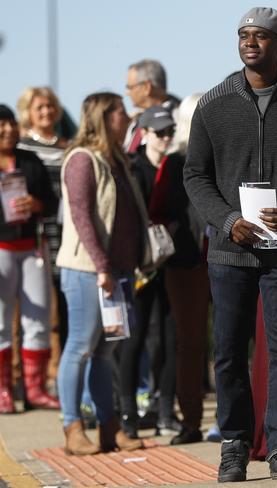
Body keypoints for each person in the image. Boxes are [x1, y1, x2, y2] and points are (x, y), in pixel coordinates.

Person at [183, 7, 277, 482]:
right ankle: (234, 445)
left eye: (261, 36)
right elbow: (194, 175)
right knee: (230, 350)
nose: (251, 42)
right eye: (244, 35)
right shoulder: (214, 103)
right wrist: (228, 220)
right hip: (229, 250)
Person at [56, 92, 148, 455]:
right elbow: (81, 218)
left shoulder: (116, 159)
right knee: (79, 347)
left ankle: (109, 427)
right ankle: (71, 426)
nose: (127, 116)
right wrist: (102, 266)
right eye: (121, 111)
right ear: (104, 117)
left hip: (117, 271)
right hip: (88, 271)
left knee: (102, 353)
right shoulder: (82, 159)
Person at [119, 106, 180, 440]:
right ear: (143, 134)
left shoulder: (175, 165)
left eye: (170, 131)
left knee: (170, 340)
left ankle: (166, 411)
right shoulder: (134, 168)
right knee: (134, 338)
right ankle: (128, 413)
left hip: (169, 260)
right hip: (140, 263)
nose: (166, 137)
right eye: (160, 132)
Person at [0, 104, 59, 414]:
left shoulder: (30, 161)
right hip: (2, 251)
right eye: (2, 125)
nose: (8, 130)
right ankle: (3, 390)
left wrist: (36, 204)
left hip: (33, 249)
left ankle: (35, 390)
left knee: (37, 319)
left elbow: (51, 203)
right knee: (0, 322)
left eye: (11, 124)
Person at [163, 95, 213, 446]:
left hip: (225, 256)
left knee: (231, 341)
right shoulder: (173, 162)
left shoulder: (221, 153)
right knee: (191, 343)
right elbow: (158, 212)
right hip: (186, 263)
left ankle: (235, 420)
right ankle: (191, 420)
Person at [16, 86, 70, 400]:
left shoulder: (67, 146)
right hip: (33, 235)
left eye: (50, 106)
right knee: (32, 309)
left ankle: (60, 376)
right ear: (29, 111)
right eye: (39, 107)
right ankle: (26, 381)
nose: (46, 112)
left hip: (65, 233)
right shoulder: (21, 147)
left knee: (63, 307)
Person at [124, 59, 181, 154]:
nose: (127, 93)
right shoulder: (134, 119)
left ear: (147, 87)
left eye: (130, 87)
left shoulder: (179, 116)